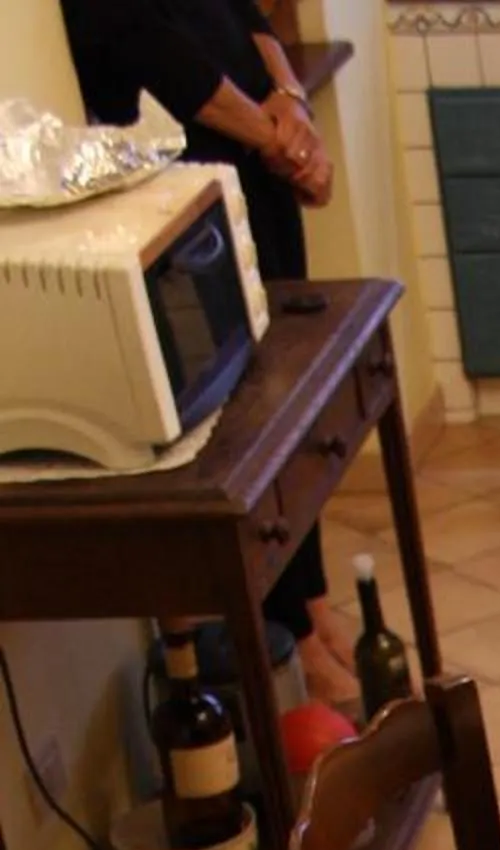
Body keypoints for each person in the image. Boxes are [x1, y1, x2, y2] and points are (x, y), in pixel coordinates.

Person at [60, 0, 357, 705]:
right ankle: (289, 637)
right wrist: (276, 138)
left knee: (294, 399)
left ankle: (311, 603)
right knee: (248, 425)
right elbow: (147, 45)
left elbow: (244, 12)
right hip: (191, 194)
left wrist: (292, 108)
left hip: (259, 167)